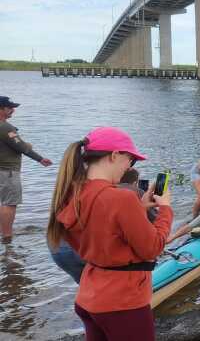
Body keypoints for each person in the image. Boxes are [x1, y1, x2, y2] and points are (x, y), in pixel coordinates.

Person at [47, 127, 172, 341]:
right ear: (115, 155)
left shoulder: (70, 193)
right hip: (123, 302)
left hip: (89, 297)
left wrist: (138, 210)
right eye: (130, 160)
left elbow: (98, 234)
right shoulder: (121, 199)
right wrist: (166, 209)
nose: (128, 167)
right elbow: (153, 247)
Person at [0, 96, 52, 242]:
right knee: (9, 203)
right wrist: (40, 159)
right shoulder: (5, 127)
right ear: (1, 109)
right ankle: (7, 236)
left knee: (4, 202)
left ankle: (4, 232)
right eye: (10, 107)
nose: (13, 110)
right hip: (8, 171)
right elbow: (22, 147)